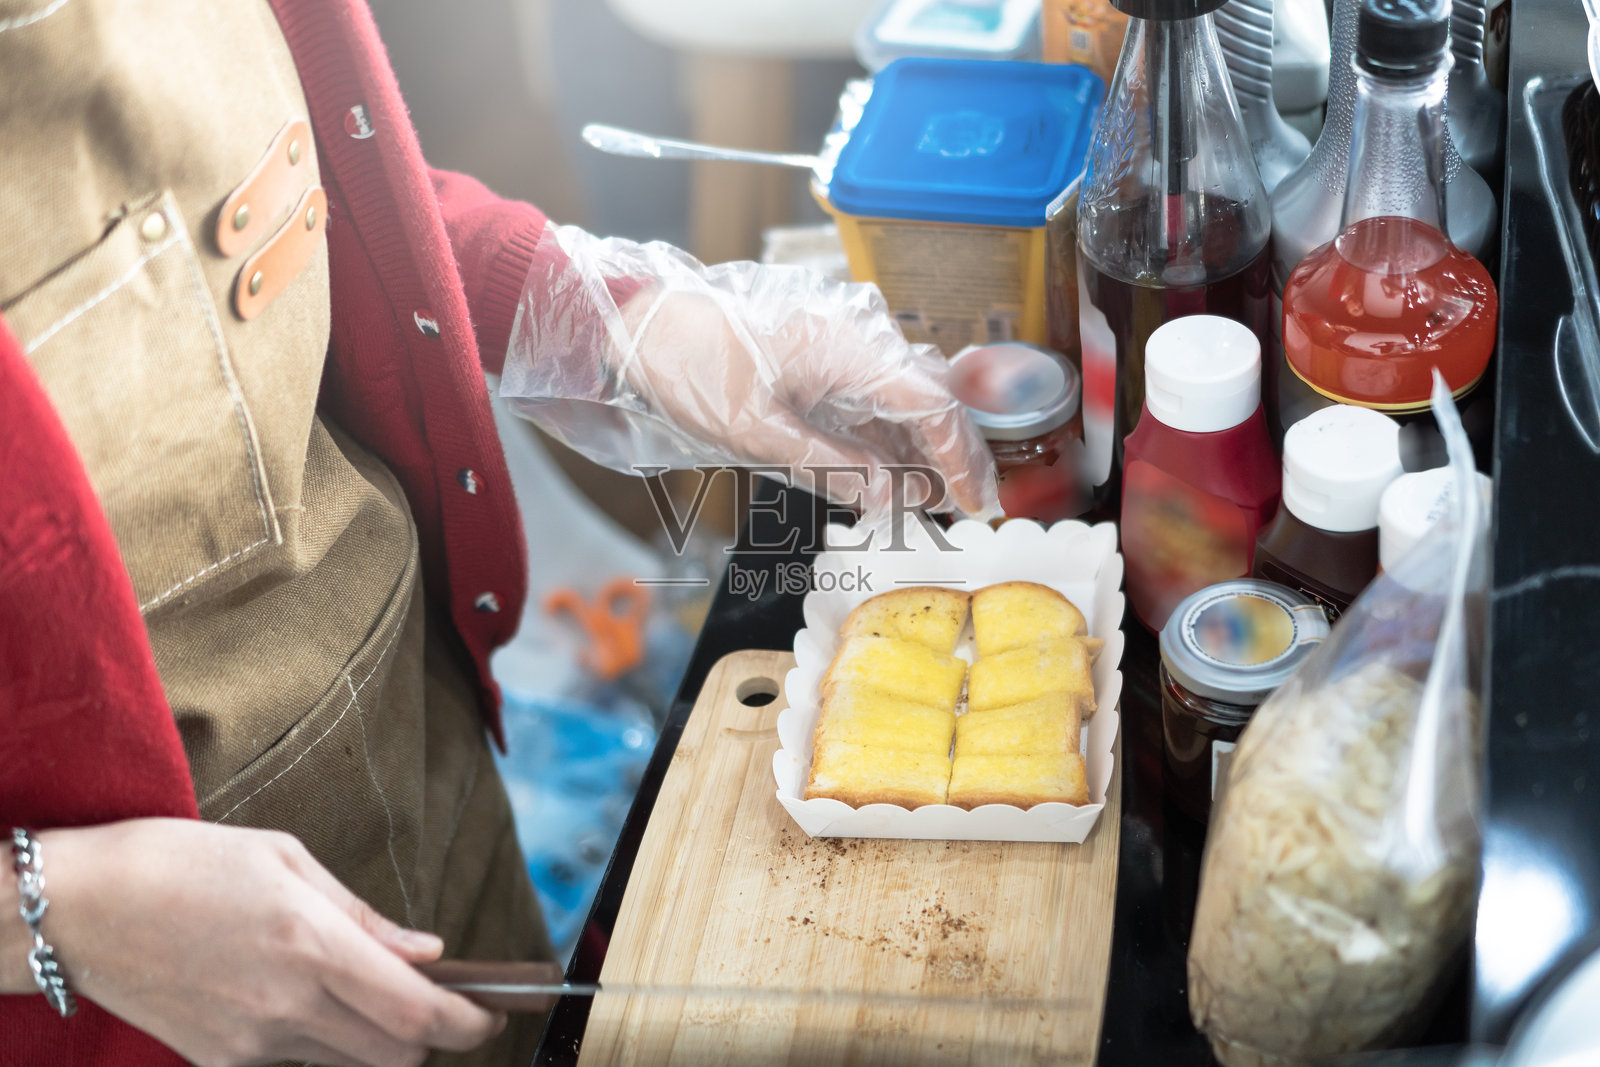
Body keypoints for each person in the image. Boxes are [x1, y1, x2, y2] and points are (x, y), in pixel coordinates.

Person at [0, 2, 996, 1066]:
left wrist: (604, 313)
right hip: (120, 1006)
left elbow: (275, 188)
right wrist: (63, 912)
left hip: (414, 739)